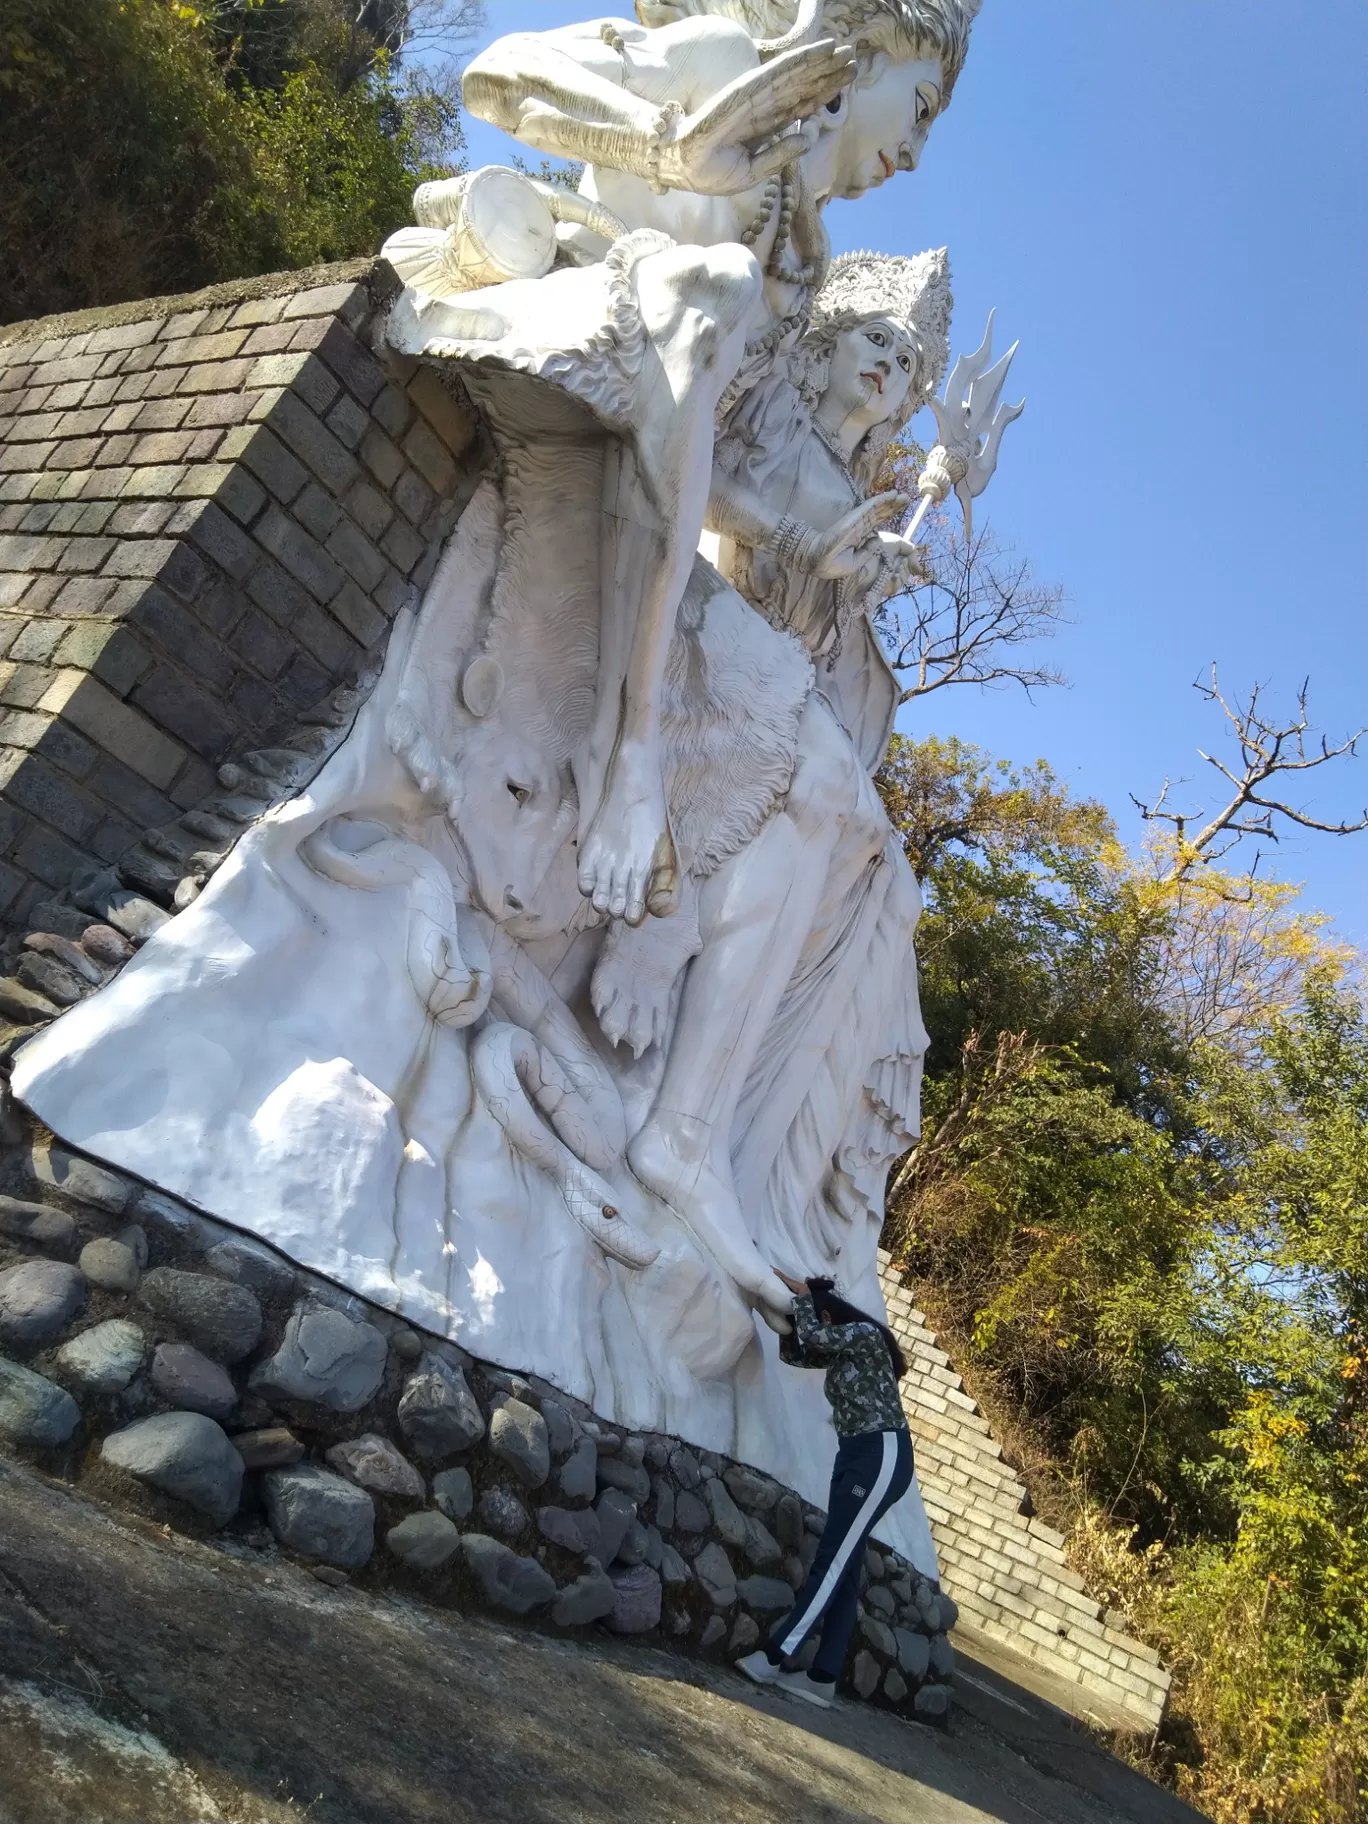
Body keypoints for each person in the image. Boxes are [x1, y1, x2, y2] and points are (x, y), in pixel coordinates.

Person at [736, 1268, 915, 1706]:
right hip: (856, 1457)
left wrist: (805, 1295)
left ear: (830, 1314)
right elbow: (797, 1353)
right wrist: (779, 1308)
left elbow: (816, 1335)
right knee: (847, 1566)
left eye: (820, 1316)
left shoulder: (865, 1337)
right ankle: (822, 1678)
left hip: (880, 1455)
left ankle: (776, 1657)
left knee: (831, 1562)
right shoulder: (843, 1353)